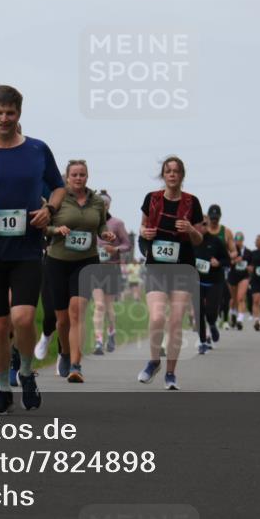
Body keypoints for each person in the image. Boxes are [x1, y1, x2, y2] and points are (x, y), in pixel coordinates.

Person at [0, 85, 64, 414]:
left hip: (27, 249)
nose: (4, 119)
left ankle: (27, 371)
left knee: (23, 316)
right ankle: (2, 389)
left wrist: (50, 210)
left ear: (19, 113)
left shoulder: (37, 150)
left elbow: (58, 188)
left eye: (10, 113)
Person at [137, 156, 205, 390]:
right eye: (168, 171)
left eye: (176, 171)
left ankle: (170, 374)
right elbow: (142, 228)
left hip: (183, 266)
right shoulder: (152, 199)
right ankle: (154, 361)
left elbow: (199, 238)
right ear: (163, 175)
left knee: (175, 321)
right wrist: (145, 234)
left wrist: (189, 229)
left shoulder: (192, 202)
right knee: (157, 317)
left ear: (182, 175)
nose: (172, 175)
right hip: (156, 265)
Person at [45, 161, 115, 382]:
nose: (78, 178)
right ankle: (64, 353)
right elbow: (42, 226)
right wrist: (56, 229)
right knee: (62, 320)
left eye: (82, 175)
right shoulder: (57, 197)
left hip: (86, 261)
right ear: (67, 177)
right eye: (74, 175)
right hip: (57, 261)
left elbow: (101, 225)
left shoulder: (96, 201)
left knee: (77, 311)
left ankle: (76, 365)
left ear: (87, 176)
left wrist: (106, 235)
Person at [92, 190, 131, 355]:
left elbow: (127, 244)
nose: (103, 207)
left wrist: (115, 248)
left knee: (108, 306)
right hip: (94, 267)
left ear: (109, 205)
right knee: (99, 305)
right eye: (100, 204)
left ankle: (111, 333)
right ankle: (98, 341)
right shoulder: (90, 222)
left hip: (112, 267)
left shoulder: (117, 223)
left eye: (105, 204)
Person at [193, 221, 231, 353]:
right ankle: (203, 341)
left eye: (204, 224)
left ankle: (213, 324)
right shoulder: (190, 241)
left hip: (215, 281)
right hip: (197, 282)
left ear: (207, 226)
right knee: (199, 312)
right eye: (198, 224)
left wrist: (219, 262)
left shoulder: (216, 241)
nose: (201, 227)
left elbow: (228, 261)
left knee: (210, 311)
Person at [227, 231, 250, 330]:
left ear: (243, 241)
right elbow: (226, 262)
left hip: (244, 277)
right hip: (232, 276)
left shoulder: (248, 252)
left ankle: (240, 320)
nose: (238, 242)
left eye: (240, 240)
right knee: (233, 299)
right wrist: (234, 261)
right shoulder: (231, 251)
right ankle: (232, 314)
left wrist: (250, 267)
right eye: (236, 240)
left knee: (240, 298)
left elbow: (252, 264)